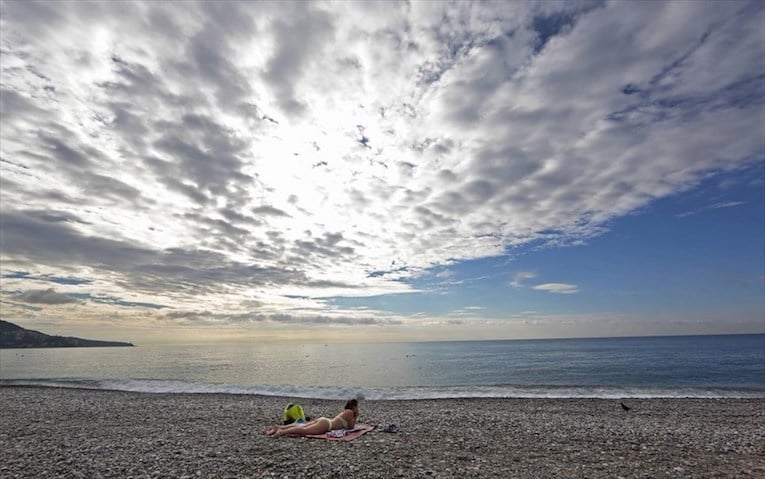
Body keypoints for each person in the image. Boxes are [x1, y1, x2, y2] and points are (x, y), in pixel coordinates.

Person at [265, 399, 359, 437]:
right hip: (327, 425)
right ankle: (281, 432)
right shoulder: (350, 412)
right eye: (357, 407)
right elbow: (351, 427)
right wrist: (356, 416)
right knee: (304, 430)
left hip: (325, 421)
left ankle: (279, 427)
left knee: (303, 426)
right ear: (354, 406)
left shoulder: (345, 411)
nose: (357, 409)